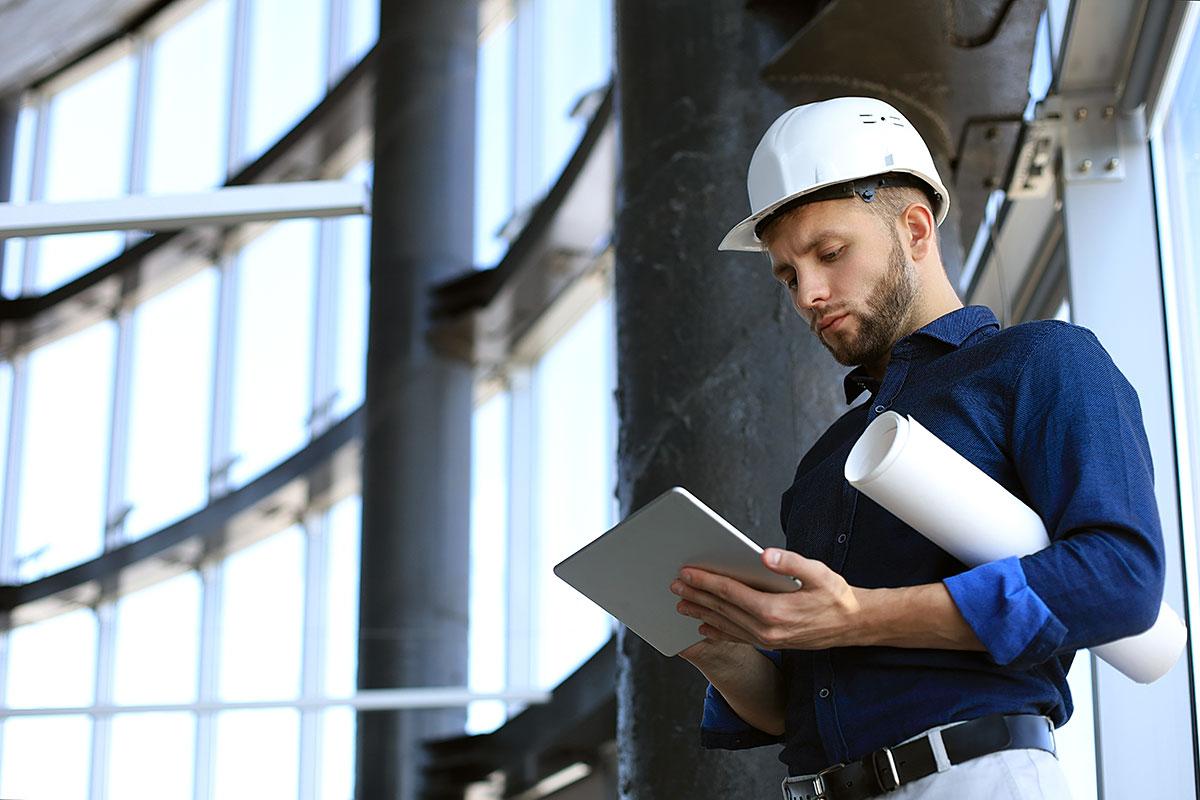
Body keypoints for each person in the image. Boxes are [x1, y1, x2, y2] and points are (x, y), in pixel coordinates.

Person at [668, 96, 1166, 799]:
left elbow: (1120, 581)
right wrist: (721, 648)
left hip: (973, 780)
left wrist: (859, 615)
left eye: (829, 254)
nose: (808, 292)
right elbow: (796, 710)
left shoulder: (1040, 361)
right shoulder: (824, 465)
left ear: (916, 228)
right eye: (786, 275)